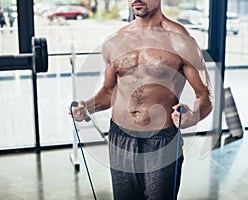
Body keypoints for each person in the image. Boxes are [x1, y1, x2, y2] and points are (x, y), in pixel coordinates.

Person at [69, 0, 213, 199]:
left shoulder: (181, 41)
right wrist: (87, 107)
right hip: (119, 137)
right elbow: (109, 91)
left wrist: (194, 116)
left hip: (161, 140)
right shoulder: (115, 42)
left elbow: (205, 95)